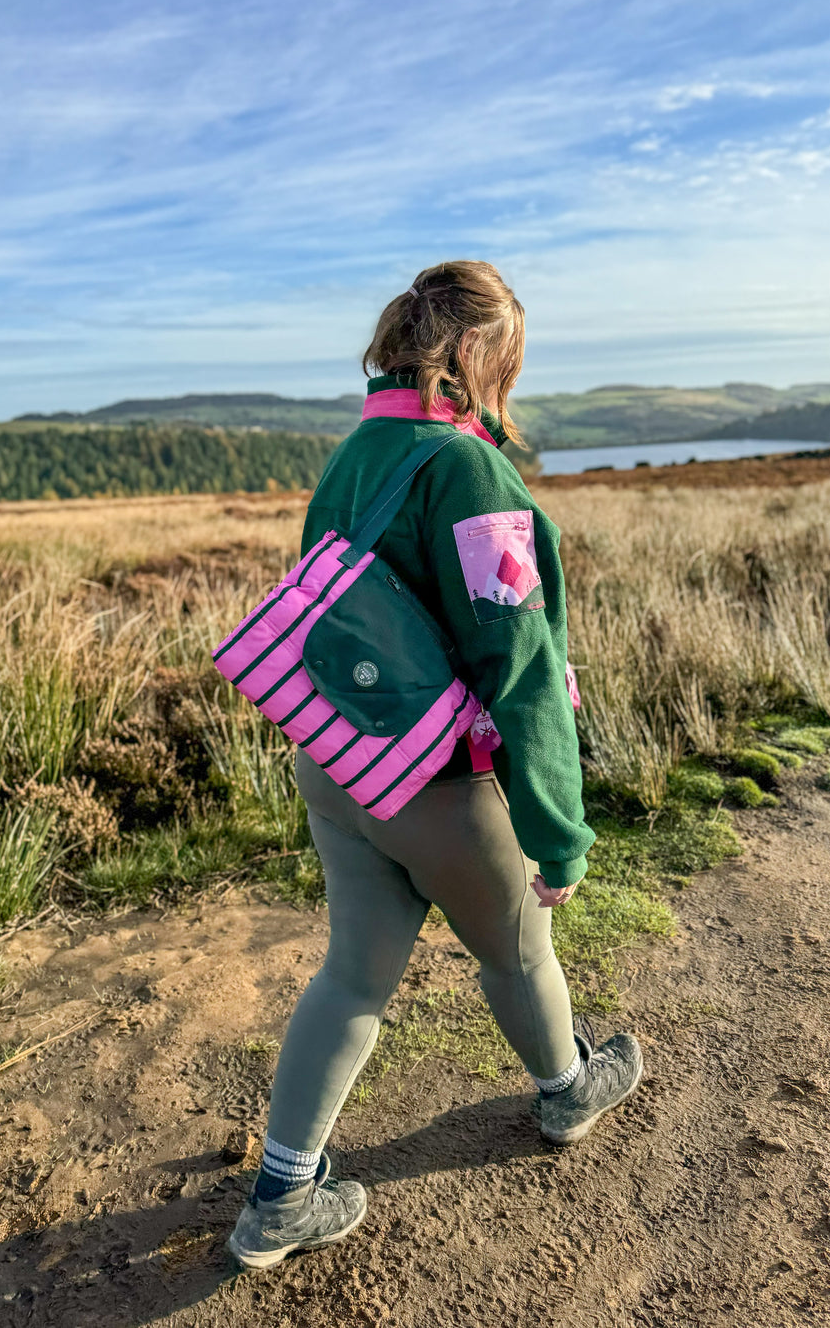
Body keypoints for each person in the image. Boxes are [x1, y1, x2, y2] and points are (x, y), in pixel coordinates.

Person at [227, 260, 642, 1270]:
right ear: (470, 353)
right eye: (508, 361)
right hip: (442, 783)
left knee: (352, 975)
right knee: (520, 951)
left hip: (338, 764)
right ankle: (566, 1091)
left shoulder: (356, 451)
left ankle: (281, 1194)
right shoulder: (468, 472)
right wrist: (558, 834)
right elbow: (521, 666)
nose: (511, 383)